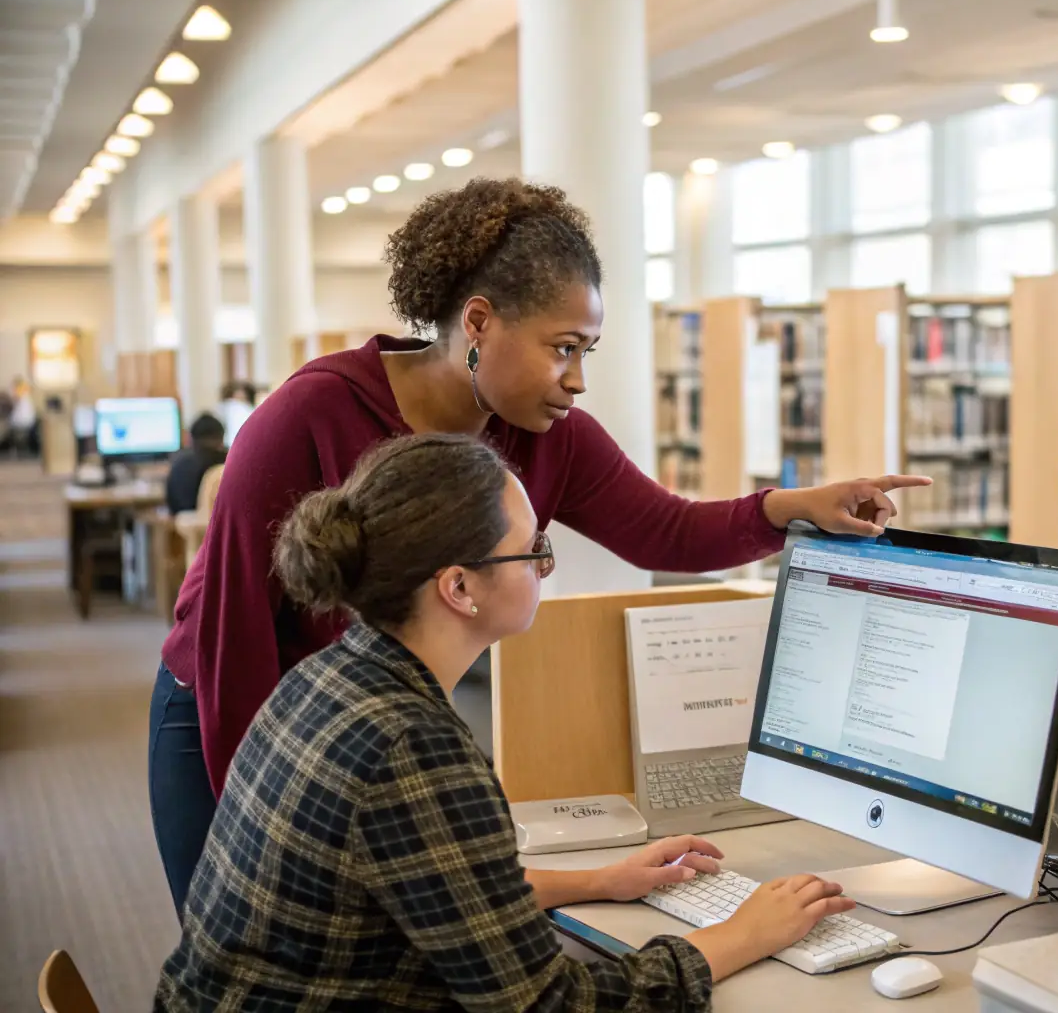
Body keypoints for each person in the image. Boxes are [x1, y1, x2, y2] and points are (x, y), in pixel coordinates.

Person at [148, 176, 930, 918]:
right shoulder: (308, 415)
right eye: (563, 347)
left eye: (586, 351)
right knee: (259, 940)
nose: (577, 378)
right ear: (480, 323)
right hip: (231, 713)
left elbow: (665, 531)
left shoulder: (547, 436)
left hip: (375, 724)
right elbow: (234, 636)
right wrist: (258, 823)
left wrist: (794, 507)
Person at [156, 433, 857, 1012]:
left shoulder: (328, 678)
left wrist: (599, 881)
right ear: (458, 588)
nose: (544, 569)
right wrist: (742, 934)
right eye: (532, 551)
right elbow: (548, 1006)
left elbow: (433, 885)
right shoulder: (410, 744)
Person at [165, 413, 228, 515]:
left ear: (190, 438)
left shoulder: (178, 462)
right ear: (222, 437)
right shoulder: (226, 463)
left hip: (181, 526)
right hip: (213, 525)